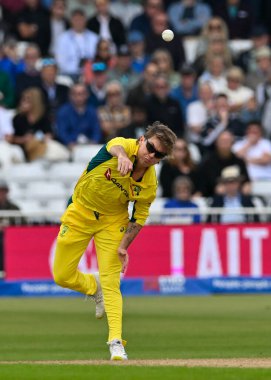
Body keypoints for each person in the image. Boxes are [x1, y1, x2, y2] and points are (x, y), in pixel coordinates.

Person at [53, 121, 177, 360]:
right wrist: (122, 156)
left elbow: (139, 217)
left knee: (112, 282)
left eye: (158, 155)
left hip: (112, 222)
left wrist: (123, 246)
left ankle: (116, 342)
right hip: (80, 212)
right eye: (150, 147)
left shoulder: (150, 184)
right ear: (142, 139)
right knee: (62, 276)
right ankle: (92, 287)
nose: (151, 155)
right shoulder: (122, 146)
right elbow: (114, 146)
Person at [198, 130, 250, 197]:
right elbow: (204, 184)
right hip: (213, 198)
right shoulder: (208, 162)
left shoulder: (239, 161)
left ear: (232, 143)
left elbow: (246, 180)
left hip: (237, 197)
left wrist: (246, 185)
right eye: (223, 141)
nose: (225, 143)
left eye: (228, 141)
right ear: (216, 143)